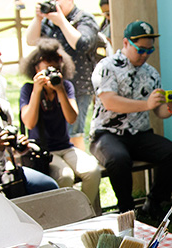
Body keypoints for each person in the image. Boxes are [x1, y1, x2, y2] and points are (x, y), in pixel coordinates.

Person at [89, 20, 172, 218]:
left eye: (149, 51)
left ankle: (154, 202)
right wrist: (146, 105)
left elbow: (158, 111)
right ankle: (127, 210)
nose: (145, 55)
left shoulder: (151, 73)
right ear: (125, 43)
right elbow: (109, 102)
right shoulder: (106, 66)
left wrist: (170, 109)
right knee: (119, 160)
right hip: (108, 134)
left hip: (140, 134)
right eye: (140, 49)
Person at [19, 38, 101, 212]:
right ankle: (69, 216)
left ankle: (88, 213)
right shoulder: (28, 89)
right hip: (42, 151)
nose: (51, 74)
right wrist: (37, 90)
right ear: (36, 70)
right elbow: (29, 121)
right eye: (47, 70)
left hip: (65, 147)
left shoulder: (66, 87)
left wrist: (60, 90)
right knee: (65, 176)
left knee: (92, 171)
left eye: (55, 69)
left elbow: (72, 118)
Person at [25, 0, 99, 152]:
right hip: (49, 87)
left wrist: (62, 22)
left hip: (78, 83)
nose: (54, 3)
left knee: (75, 131)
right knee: (58, 132)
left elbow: (82, 44)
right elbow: (31, 41)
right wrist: (38, 19)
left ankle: (79, 168)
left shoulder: (84, 19)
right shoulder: (48, 22)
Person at [0, 55, 58, 195]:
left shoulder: (2, 107)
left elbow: (11, 151)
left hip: (6, 171)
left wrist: (18, 144)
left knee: (50, 187)